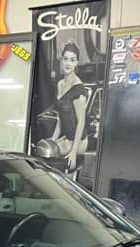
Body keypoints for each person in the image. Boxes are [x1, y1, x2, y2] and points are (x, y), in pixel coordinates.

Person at [50, 42, 90, 174]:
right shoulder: (60, 84)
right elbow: (60, 120)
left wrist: (73, 152)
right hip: (67, 137)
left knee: (51, 162)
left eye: (72, 60)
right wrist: (52, 140)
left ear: (76, 63)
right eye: (65, 59)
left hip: (79, 141)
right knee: (45, 151)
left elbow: (81, 122)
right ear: (61, 60)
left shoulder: (78, 88)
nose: (68, 63)